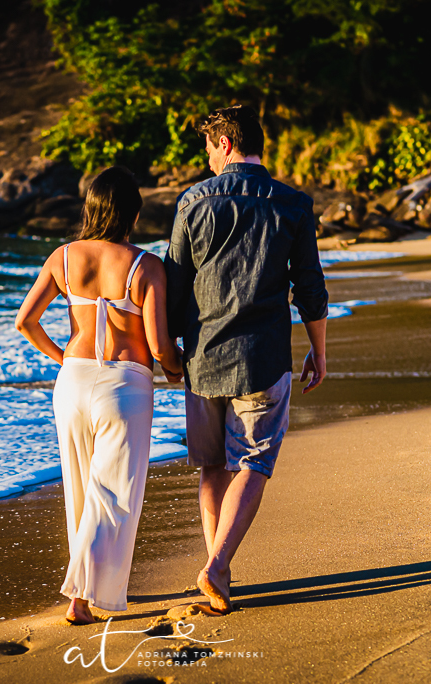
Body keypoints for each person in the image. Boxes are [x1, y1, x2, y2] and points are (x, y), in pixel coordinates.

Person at [165, 105, 329, 615]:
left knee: (213, 465)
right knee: (254, 461)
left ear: (227, 144)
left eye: (210, 148)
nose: (209, 159)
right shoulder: (292, 203)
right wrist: (318, 352)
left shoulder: (193, 202)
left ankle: (220, 568)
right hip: (263, 355)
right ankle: (217, 567)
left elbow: (173, 283)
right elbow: (311, 289)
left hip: (203, 357)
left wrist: (169, 351)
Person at [15, 167, 184, 625]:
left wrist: (63, 359)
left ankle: (83, 596)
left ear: (89, 207)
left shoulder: (62, 257)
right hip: (124, 384)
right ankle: (79, 597)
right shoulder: (145, 265)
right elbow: (157, 343)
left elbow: (25, 322)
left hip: (71, 382)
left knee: (80, 489)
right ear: (132, 212)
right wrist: (176, 370)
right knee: (112, 493)